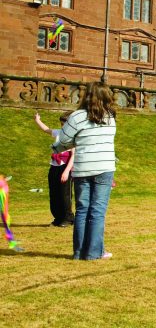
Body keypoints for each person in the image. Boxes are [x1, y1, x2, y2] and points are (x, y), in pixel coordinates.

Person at [52, 82, 117, 260]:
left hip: (83, 167)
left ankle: (79, 252)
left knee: (82, 209)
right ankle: (95, 252)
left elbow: (64, 139)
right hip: (104, 167)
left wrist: (64, 146)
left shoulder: (77, 116)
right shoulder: (110, 117)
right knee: (97, 211)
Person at [34, 111, 76, 227]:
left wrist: (67, 171)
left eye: (65, 124)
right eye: (61, 124)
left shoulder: (73, 137)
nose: (63, 126)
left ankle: (68, 218)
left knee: (64, 194)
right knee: (54, 193)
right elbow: (46, 130)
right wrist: (38, 120)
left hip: (65, 167)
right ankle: (57, 218)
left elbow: (74, 155)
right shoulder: (58, 133)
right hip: (54, 165)